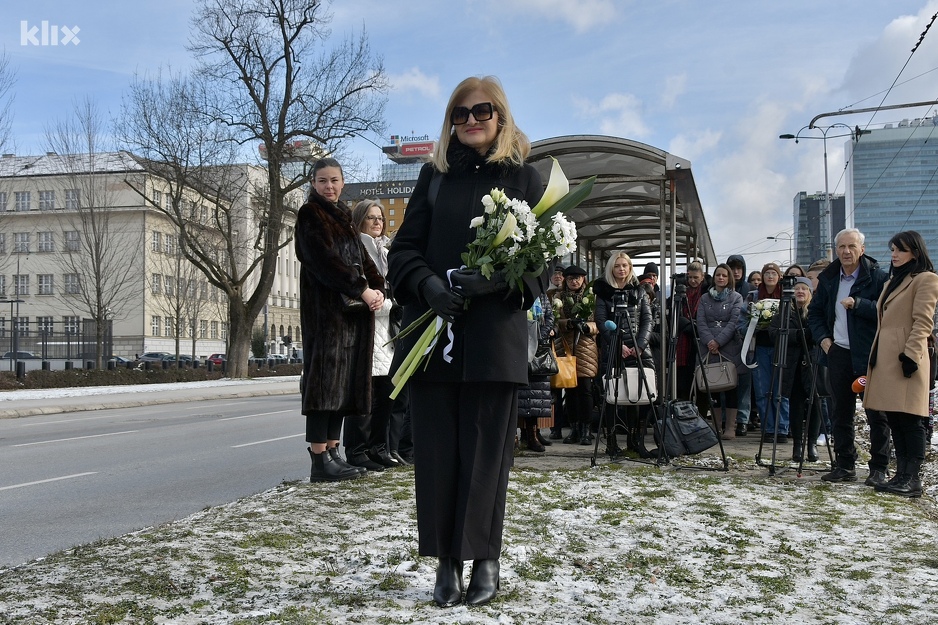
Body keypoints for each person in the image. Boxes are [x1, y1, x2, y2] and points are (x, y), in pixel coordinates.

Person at [386, 75, 545, 608]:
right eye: (460, 114)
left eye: (481, 112)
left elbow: (541, 266)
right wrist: (428, 285)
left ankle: (485, 556)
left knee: (485, 456)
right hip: (434, 338)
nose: (470, 121)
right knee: (436, 454)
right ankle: (446, 562)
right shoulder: (435, 176)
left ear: (500, 116)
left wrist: (497, 282)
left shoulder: (525, 179)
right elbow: (404, 248)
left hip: (492, 340)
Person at [296, 158, 385, 483]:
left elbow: (364, 260)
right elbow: (324, 261)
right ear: (314, 183)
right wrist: (362, 289)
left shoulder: (344, 217)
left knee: (339, 386)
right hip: (325, 316)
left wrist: (378, 290)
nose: (329, 186)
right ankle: (319, 458)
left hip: (350, 316)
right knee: (323, 386)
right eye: (322, 181)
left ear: (343, 182)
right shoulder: (310, 214)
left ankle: (333, 451)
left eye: (334, 180)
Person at [808, 228, 890, 485]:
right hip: (838, 353)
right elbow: (815, 313)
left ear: (862, 250)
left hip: (869, 355)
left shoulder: (877, 277)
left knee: (877, 413)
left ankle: (879, 467)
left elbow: (885, 312)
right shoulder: (830, 278)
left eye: (851, 246)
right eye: (842, 247)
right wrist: (824, 340)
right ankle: (844, 464)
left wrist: (859, 304)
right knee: (840, 412)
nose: (846, 251)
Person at [864, 231, 938, 497]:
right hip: (886, 357)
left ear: (915, 252)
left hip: (907, 357)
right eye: (893, 249)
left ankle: (912, 478)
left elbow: (923, 321)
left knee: (911, 419)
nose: (894, 254)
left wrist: (911, 355)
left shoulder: (926, 279)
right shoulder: (894, 281)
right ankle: (901, 474)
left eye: (900, 250)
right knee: (894, 417)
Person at [341, 199, 399, 472]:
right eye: (371, 218)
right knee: (365, 395)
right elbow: (362, 292)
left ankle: (378, 447)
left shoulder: (384, 249)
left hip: (387, 332)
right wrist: (390, 305)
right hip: (367, 328)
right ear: (360, 220)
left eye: (381, 218)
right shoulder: (357, 247)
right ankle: (357, 450)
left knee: (386, 392)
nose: (377, 222)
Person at [594, 252, 653, 456]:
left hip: (638, 350)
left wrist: (640, 345)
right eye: (618, 265)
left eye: (625, 265)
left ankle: (635, 441)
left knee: (638, 394)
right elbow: (601, 322)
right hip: (614, 349)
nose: (621, 269)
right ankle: (611, 443)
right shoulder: (602, 292)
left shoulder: (640, 291)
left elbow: (648, 320)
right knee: (611, 395)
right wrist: (617, 344)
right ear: (611, 268)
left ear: (630, 268)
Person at [769, 277, 821, 461]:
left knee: (816, 403)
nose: (800, 292)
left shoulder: (815, 311)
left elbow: (820, 332)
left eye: (804, 289)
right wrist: (798, 336)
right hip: (793, 364)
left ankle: (812, 444)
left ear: (810, 293)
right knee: (796, 404)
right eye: (797, 288)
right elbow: (774, 333)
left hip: (813, 363)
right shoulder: (784, 311)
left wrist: (806, 335)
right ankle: (797, 445)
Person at [696, 264, 745, 439]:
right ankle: (716, 426)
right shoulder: (704, 298)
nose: (721, 278)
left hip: (729, 347)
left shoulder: (736, 298)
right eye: (718, 275)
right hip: (708, 347)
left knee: (731, 387)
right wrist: (710, 341)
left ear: (729, 278)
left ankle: (730, 427)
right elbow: (700, 322)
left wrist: (719, 341)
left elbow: (734, 322)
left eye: (724, 275)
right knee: (713, 386)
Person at [555, 265, 600, 445]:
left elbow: (599, 321)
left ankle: (586, 429)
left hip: (586, 348)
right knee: (570, 389)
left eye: (578, 278)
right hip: (565, 346)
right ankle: (574, 428)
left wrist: (588, 326)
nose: (575, 281)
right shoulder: (558, 297)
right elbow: (555, 320)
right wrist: (568, 323)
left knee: (585, 389)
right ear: (565, 279)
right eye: (571, 278)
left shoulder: (591, 297)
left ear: (583, 279)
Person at [752, 262, 790, 442]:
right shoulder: (753, 296)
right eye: (766, 273)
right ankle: (767, 428)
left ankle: (782, 428)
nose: (770, 276)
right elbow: (744, 322)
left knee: (780, 390)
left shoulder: (786, 296)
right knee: (763, 389)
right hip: (760, 346)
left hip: (780, 346)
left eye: (773, 273)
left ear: (779, 277)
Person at [518, 291, 555, 453]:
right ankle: (521, 435)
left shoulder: (541, 295)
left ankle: (533, 433)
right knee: (521, 394)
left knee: (535, 393)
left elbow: (550, 317)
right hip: (518, 344)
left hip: (539, 347)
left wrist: (539, 336)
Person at [726, 255, 752, 435]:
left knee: (744, 382)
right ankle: (726, 420)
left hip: (744, 341)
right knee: (725, 381)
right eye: (732, 268)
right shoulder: (720, 290)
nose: (736, 272)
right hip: (725, 341)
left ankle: (742, 419)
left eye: (739, 268)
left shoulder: (749, 290)